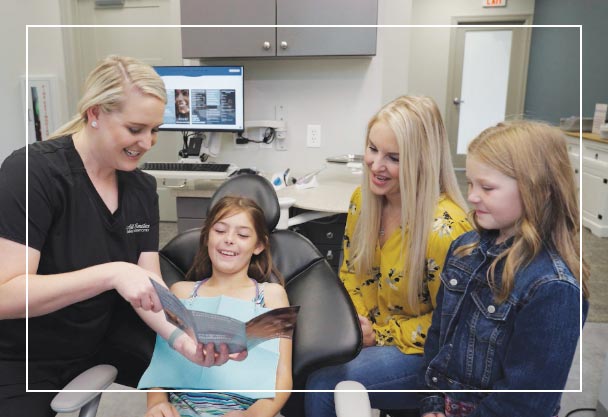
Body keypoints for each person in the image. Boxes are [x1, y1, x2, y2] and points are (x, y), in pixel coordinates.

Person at [0, 55, 240, 417]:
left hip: (98, 339)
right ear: (94, 114)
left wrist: (183, 340)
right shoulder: (34, 174)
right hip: (23, 356)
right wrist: (112, 273)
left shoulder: (141, 189)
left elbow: (150, 287)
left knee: (206, 386)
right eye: (135, 129)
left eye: (155, 130)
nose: (147, 143)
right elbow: (5, 295)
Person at [305, 95, 471, 417]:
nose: (375, 165)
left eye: (393, 158)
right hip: (368, 334)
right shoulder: (363, 200)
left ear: (422, 160)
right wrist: (354, 323)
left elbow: (450, 326)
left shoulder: (445, 230)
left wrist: (377, 335)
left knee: (324, 385)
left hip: (426, 353)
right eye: (372, 149)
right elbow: (351, 272)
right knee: (300, 358)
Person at [419, 120, 589, 417]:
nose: (471, 196)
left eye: (487, 187)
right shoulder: (463, 249)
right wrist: (432, 405)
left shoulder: (553, 288)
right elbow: (438, 341)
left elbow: (525, 403)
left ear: (538, 191)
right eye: (470, 183)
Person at [145, 196, 293, 417]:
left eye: (242, 235)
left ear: (259, 245)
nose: (229, 240)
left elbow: (283, 376)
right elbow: (161, 365)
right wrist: (156, 405)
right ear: (207, 237)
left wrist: (249, 416)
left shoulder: (271, 296)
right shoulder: (181, 292)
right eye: (220, 230)